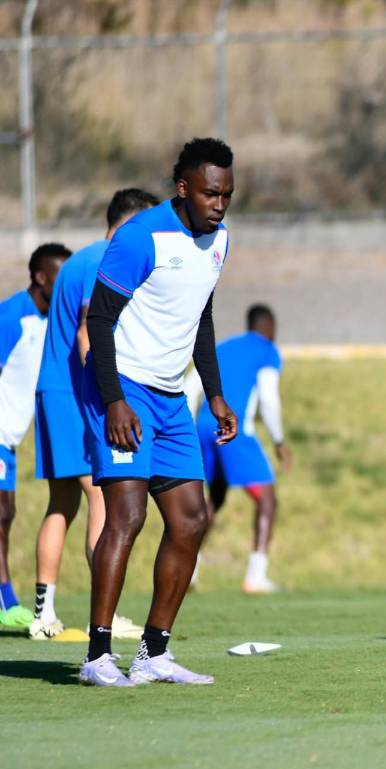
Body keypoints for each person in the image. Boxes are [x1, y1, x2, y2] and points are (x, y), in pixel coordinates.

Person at [79, 137, 237, 687]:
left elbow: (203, 317)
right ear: (184, 188)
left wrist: (214, 393)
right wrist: (114, 400)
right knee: (127, 518)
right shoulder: (140, 236)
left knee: (192, 519)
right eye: (212, 194)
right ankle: (98, 655)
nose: (220, 204)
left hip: (172, 398)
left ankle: (153, 653)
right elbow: (99, 321)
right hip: (126, 390)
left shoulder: (220, 241)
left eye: (228, 195)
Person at [29, 189, 159, 641]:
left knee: (61, 503)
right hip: (76, 394)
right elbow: (88, 328)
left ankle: (43, 614)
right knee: (101, 497)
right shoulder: (106, 258)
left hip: (52, 391)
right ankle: (101, 617)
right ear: (128, 225)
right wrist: (110, 397)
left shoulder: (80, 259)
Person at [186, 304, 292, 594]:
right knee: (267, 499)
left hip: (203, 428)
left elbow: (191, 387)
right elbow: (269, 398)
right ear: (269, 325)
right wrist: (279, 440)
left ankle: (188, 569)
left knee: (213, 498)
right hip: (235, 431)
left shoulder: (223, 347)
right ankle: (256, 576)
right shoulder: (267, 351)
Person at [0, 244, 69, 628]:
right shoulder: (12, 316)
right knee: (1, 513)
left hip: (9, 439)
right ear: (41, 277)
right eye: (59, 276)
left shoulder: (51, 320)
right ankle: (6, 603)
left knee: (6, 514)